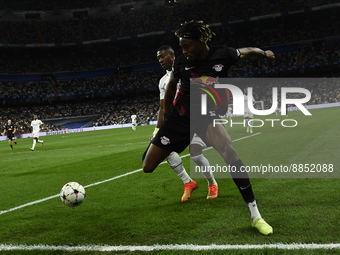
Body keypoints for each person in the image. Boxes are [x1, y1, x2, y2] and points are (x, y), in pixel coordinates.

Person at [142, 20, 275, 235]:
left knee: (230, 152)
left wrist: (264, 53)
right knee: (147, 166)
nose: (183, 51)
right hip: (179, 118)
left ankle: (255, 215)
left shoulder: (223, 54)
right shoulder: (182, 62)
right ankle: (184, 166)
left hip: (205, 115)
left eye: (186, 46)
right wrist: (165, 120)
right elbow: (171, 86)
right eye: (181, 47)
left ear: (201, 41)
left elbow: (247, 51)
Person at [153, 45, 217, 201]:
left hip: (195, 117)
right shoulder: (163, 81)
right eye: (158, 58)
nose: (160, 60)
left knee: (195, 153)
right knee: (162, 147)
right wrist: (157, 130)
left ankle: (212, 183)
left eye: (163, 56)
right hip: (175, 121)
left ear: (173, 55)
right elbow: (163, 106)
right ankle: (188, 182)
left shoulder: (187, 70)